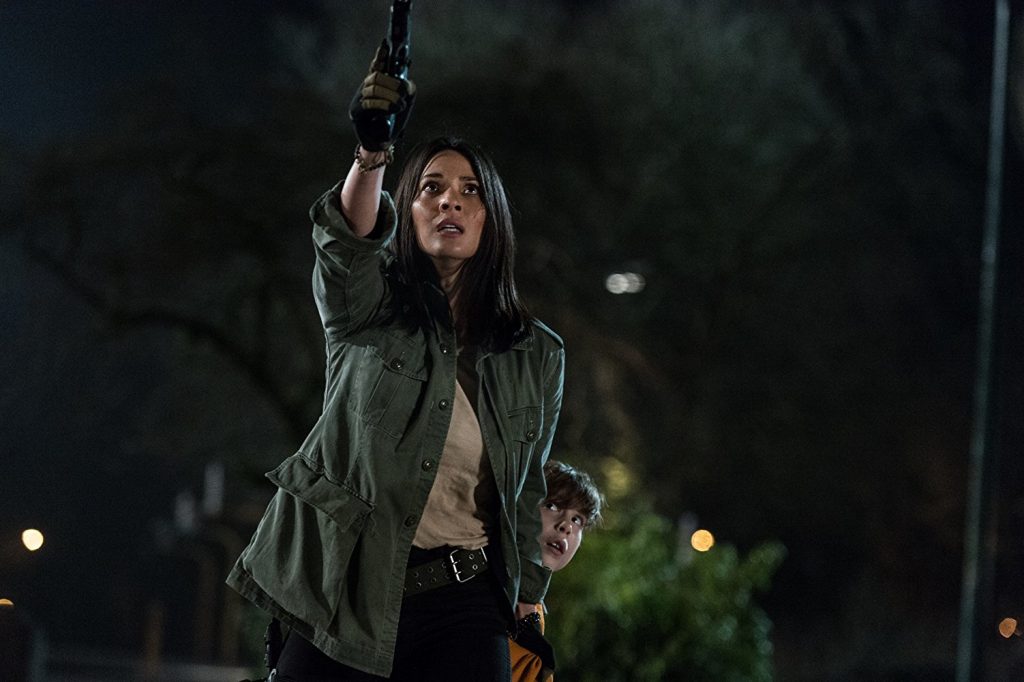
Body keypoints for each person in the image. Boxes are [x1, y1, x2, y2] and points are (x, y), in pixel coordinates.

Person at [226, 42, 565, 682]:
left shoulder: (537, 353)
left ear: (491, 220)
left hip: (465, 599)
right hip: (347, 589)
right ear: (405, 212)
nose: (448, 202)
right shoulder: (366, 307)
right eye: (431, 189)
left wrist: (528, 599)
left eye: (469, 192)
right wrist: (372, 152)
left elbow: (525, 489)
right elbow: (344, 242)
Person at [509, 460, 604, 682]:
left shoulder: (536, 610)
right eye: (552, 506)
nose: (566, 526)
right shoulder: (488, 588)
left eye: (577, 519)